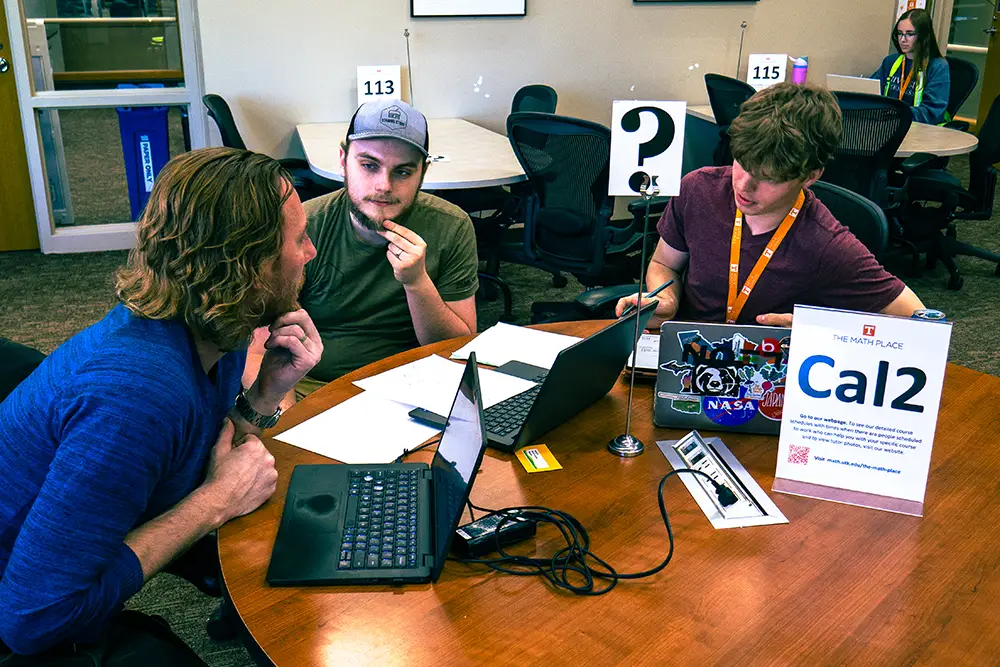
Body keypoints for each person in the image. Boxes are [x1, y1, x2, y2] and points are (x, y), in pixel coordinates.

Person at [0, 147, 322, 663]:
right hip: (27, 608)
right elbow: (32, 620)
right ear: (250, 266)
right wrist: (213, 503)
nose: (309, 252)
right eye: (298, 238)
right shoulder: (137, 397)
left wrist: (266, 392)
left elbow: (192, 453)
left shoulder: (216, 324)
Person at [615, 82, 925, 329]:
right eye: (741, 163)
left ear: (810, 176)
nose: (743, 185)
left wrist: (817, 331)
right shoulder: (698, 189)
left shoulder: (826, 244)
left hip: (764, 376)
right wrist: (666, 299)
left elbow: (919, 321)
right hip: (685, 357)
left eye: (769, 178)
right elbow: (665, 264)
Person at [251, 99, 478, 400]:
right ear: (343, 160)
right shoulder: (305, 226)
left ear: (423, 172)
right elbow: (260, 349)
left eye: (402, 172)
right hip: (315, 388)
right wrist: (283, 418)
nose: (383, 185)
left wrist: (417, 283)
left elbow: (457, 349)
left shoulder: (451, 226)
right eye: (369, 165)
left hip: (413, 390)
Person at [873, 8, 950, 125]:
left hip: (920, 128)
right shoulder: (890, 61)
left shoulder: (938, 66)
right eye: (900, 33)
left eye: (909, 34)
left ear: (923, 36)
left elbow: (932, 112)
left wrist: (897, 112)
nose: (902, 40)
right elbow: (871, 93)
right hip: (888, 124)